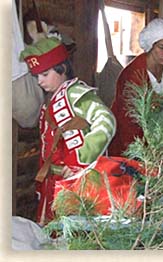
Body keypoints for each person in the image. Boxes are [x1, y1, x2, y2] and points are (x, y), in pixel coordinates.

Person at [20, 37, 116, 225]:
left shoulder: (74, 94)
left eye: (45, 74)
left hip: (77, 181)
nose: (39, 81)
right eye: (37, 76)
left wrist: (82, 157)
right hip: (55, 181)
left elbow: (106, 121)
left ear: (61, 69)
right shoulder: (52, 98)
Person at [109, 18, 163, 156]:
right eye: (162, 47)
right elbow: (130, 120)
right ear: (151, 45)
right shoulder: (133, 75)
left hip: (162, 139)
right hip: (132, 141)